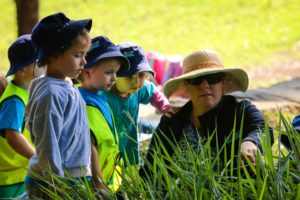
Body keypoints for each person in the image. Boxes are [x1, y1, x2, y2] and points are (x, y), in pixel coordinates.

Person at [141, 49, 273, 177]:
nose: (205, 86)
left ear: (222, 83)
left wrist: (251, 142)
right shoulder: (172, 121)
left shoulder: (241, 110)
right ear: (187, 86)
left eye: (213, 78)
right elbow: (149, 169)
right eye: (196, 80)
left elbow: (262, 129)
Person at [24, 12, 93, 198]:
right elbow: (47, 141)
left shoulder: (64, 83)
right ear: (55, 55)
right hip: (54, 182)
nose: (84, 62)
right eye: (78, 55)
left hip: (72, 175)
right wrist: (56, 182)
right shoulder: (51, 93)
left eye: (85, 55)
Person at [104, 42, 172, 166]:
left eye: (141, 75)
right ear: (114, 75)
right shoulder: (103, 95)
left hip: (130, 147)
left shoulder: (139, 89)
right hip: (107, 152)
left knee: (131, 176)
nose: (136, 81)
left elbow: (153, 92)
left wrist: (165, 107)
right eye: (129, 76)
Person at [78, 36, 130, 190]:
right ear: (87, 72)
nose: (115, 78)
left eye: (116, 72)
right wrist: (99, 186)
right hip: (96, 188)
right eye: (109, 72)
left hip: (110, 182)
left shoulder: (98, 95)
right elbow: (90, 148)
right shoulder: (86, 105)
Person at [0, 34, 40, 198]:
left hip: (20, 172)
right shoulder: (15, 100)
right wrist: (36, 158)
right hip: (10, 180)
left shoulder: (24, 92)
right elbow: (13, 136)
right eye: (40, 63)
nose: (45, 67)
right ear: (24, 68)